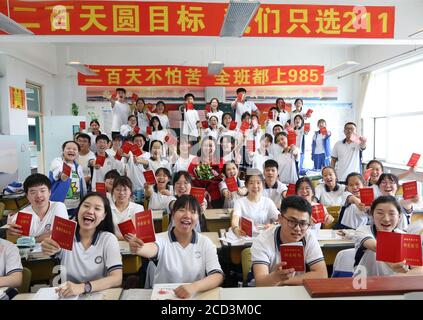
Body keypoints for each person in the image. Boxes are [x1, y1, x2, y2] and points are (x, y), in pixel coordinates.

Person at [128, 195, 224, 297]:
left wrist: (193, 287)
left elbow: (217, 275)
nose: (187, 215)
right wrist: (139, 247)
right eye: (182, 210)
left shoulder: (205, 243)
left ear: (198, 217)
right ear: (173, 214)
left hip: (194, 295)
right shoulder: (160, 239)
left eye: (193, 212)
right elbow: (151, 248)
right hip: (163, 296)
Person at [41, 193, 123, 298]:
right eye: (86, 206)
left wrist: (84, 287)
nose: (89, 211)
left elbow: (116, 278)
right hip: (67, 295)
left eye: (97, 208)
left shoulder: (108, 239)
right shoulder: (65, 233)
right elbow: (52, 249)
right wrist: (48, 247)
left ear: (104, 216)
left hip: (99, 294)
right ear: (79, 209)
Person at [251, 196, 328, 286]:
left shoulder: (308, 237)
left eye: (303, 223)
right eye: (292, 221)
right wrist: (275, 277)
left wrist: (283, 281)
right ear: (280, 219)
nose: (298, 229)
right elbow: (260, 283)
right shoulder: (262, 241)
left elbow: (322, 275)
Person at [353, 196, 423, 276]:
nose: (386, 219)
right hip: (364, 284)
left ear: (399, 217)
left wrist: (403, 276)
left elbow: (419, 268)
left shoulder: (404, 236)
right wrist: (390, 260)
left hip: (393, 285)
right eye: (380, 213)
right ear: (372, 214)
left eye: (391, 214)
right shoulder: (363, 231)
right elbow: (375, 246)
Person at [7, 174, 68, 241]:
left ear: (49, 192)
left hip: (54, 250)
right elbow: (22, 241)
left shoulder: (58, 207)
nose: (38, 195)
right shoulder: (22, 215)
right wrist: (9, 231)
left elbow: (61, 234)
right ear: (27, 196)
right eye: (33, 192)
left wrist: (34, 240)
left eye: (42, 191)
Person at [231, 169, 279, 237]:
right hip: (245, 238)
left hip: (264, 239)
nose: (255, 186)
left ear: (263, 184)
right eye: (251, 183)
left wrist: (273, 225)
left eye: (258, 183)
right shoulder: (240, 202)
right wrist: (236, 228)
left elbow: (280, 219)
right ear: (246, 185)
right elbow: (235, 220)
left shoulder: (268, 202)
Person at [49, 141, 87, 217]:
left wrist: (84, 200)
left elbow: (83, 185)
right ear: (63, 150)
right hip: (59, 205)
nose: (71, 151)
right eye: (68, 148)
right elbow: (58, 172)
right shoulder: (58, 161)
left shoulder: (78, 167)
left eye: (74, 149)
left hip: (75, 205)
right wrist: (62, 175)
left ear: (78, 152)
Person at [187, 137, 224, 208]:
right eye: (205, 145)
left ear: (215, 147)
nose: (207, 148)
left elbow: (225, 178)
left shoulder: (221, 161)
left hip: (216, 196)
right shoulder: (195, 161)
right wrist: (202, 191)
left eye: (210, 145)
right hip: (199, 195)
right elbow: (189, 179)